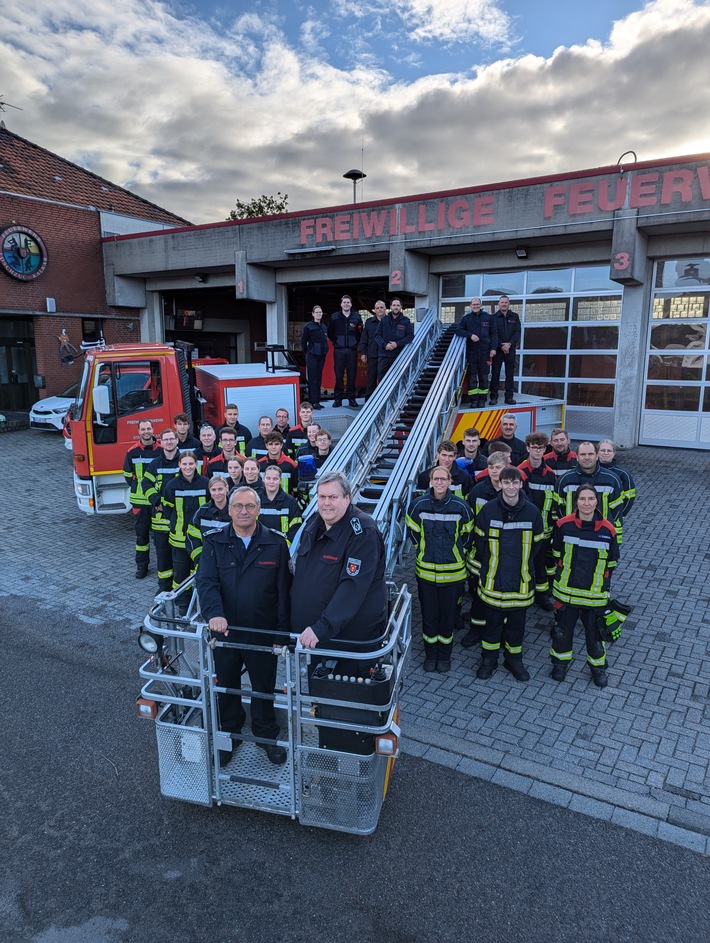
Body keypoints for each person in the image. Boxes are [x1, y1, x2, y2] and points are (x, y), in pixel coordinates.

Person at [196, 487, 291, 766]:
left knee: (263, 685)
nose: (243, 511)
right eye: (238, 506)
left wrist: (282, 633)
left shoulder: (275, 543)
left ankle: (265, 735)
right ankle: (230, 734)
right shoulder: (214, 542)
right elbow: (207, 582)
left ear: (259, 510)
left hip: (263, 632)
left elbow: (284, 591)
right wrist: (214, 613)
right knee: (226, 684)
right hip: (225, 631)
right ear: (229, 510)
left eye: (250, 506)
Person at [293, 471, 388, 676]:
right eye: (322, 497)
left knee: (347, 702)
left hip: (349, 641)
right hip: (318, 637)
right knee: (318, 701)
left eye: (333, 497)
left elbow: (352, 588)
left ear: (347, 498)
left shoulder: (363, 532)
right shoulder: (313, 522)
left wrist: (322, 627)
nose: (326, 503)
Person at [474, 466, 544, 682]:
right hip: (493, 581)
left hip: (520, 582)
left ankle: (513, 659)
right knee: (492, 624)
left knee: (517, 626)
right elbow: (480, 544)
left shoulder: (533, 512)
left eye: (515, 482)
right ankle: (489, 659)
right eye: (507, 482)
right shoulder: (488, 511)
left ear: (521, 484)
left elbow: (537, 547)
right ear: (500, 484)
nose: (511, 486)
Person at [550, 483, 619, 688]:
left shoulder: (608, 529)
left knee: (595, 635)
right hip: (566, 592)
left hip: (594, 595)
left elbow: (612, 562)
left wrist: (603, 585)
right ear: (576, 501)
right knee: (562, 632)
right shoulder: (563, 524)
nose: (586, 503)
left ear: (597, 501)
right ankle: (560, 664)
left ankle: (598, 669)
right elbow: (556, 554)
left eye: (590, 499)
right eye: (582, 499)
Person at [406, 466, 474, 672]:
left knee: (447, 617)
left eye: (443, 479)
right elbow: (413, 534)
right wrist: (424, 552)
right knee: (429, 616)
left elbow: (468, 537)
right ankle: (430, 654)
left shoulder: (461, 507)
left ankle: (444, 656)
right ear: (430, 481)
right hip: (426, 573)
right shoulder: (417, 505)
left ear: (450, 481)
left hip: (453, 574)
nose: (440, 482)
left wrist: (456, 554)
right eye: (436, 478)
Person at [461, 451, 508, 649]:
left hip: (505, 554)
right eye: (492, 467)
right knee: (478, 594)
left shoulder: (512, 492)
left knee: (502, 596)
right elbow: (469, 521)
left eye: (499, 467)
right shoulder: (478, 491)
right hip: (481, 552)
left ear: (506, 467)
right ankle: (476, 629)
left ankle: (499, 631)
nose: (495, 471)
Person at [160, 451, 209, 595]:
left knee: (199, 571)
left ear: (196, 464)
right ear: (179, 465)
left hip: (200, 540)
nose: (188, 467)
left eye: (191, 464)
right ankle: (182, 603)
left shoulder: (206, 483)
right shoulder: (171, 485)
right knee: (180, 575)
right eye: (185, 464)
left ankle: (198, 601)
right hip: (179, 540)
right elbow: (167, 510)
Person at [518, 432, 556, 610]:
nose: (538, 451)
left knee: (540, 564)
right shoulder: (520, 472)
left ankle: (542, 596)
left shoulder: (550, 474)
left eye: (541, 448)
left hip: (544, 530)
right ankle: (523, 593)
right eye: (534, 447)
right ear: (528, 448)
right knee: (523, 563)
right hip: (523, 530)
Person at [556, 442, 624, 537]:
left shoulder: (612, 480)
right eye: (583, 454)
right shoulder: (565, 480)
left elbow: (617, 511)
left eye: (591, 454)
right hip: (571, 534)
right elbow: (558, 509)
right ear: (577, 457)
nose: (587, 457)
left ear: (597, 456)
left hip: (601, 534)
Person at [144, 428, 182, 592]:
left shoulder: (184, 461)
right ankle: (164, 587)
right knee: (163, 555)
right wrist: (156, 501)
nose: (169, 442)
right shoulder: (155, 464)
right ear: (161, 442)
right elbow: (146, 484)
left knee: (180, 557)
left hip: (180, 518)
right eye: (165, 439)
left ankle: (180, 587)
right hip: (160, 520)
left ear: (177, 440)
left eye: (171, 439)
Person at [122, 418, 158, 579]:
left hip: (157, 502)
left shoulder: (161, 450)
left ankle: (163, 565)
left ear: (152, 429)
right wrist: (139, 489)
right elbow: (128, 476)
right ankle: (142, 566)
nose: (146, 432)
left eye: (148, 428)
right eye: (143, 429)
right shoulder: (132, 452)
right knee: (141, 536)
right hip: (140, 502)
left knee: (159, 537)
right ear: (139, 432)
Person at [454, 298, 498, 407]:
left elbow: (494, 334)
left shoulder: (488, 318)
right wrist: (470, 335)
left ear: (481, 305)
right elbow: (458, 330)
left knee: (483, 377)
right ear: (470, 306)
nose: (475, 306)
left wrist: (493, 348)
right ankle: (474, 400)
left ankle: (482, 400)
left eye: (477, 304)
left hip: (485, 352)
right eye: (473, 304)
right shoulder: (466, 319)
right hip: (471, 352)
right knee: (472, 377)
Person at [186, 475, 231, 567]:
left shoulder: (236, 510)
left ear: (227, 488)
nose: (217, 493)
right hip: (206, 563)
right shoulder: (202, 512)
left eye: (220, 489)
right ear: (209, 491)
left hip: (230, 564)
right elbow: (192, 536)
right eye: (213, 490)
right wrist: (200, 559)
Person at [327, 294, 363, 408]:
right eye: (344, 302)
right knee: (339, 375)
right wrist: (337, 341)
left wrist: (354, 343)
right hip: (339, 350)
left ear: (351, 304)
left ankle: (352, 399)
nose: (346, 304)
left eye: (348, 302)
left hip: (352, 351)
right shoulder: (334, 317)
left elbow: (360, 333)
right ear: (341, 304)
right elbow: (330, 333)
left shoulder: (357, 317)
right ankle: (338, 399)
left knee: (352, 375)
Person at [489, 295, 521, 406]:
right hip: (498, 350)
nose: (504, 304)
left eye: (505, 302)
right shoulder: (493, 317)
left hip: (510, 349)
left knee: (510, 373)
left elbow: (517, 332)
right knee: (495, 373)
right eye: (502, 302)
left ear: (509, 304)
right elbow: (492, 333)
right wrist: (501, 345)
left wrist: (509, 344)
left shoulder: (515, 317)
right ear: (499, 304)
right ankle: (493, 397)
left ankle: (509, 397)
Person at [259, 466, 303, 545]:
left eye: (275, 479)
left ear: (280, 480)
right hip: (259, 548)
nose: (271, 482)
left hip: (282, 550)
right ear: (263, 479)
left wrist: (283, 548)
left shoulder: (290, 502)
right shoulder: (256, 501)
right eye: (268, 478)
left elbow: (295, 528)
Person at [376, 297, 414, 381]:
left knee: (399, 380)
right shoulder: (384, 320)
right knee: (382, 379)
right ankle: (383, 394)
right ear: (390, 307)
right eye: (394, 305)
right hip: (384, 356)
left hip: (399, 356)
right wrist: (385, 345)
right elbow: (377, 336)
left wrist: (397, 344)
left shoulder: (406, 321)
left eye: (398, 305)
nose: (396, 307)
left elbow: (410, 336)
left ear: (401, 307)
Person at [598, 440, 636, 520]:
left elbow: (629, 497)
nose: (606, 453)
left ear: (614, 453)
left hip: (612, 520)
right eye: (602, 450)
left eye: (609, 450)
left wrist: (619, 514)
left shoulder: (623, 474)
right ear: (597, 452)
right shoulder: (590, 471)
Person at [301, 305, 328, 409]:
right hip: (312, 355)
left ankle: (317, 401)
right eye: (316, 312)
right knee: (313, 379)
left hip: (321, 355)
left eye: (320, 312)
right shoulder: (309, 326)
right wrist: (307, 352)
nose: (318, 314)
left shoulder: (324, 327)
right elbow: (303, 341)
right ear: (313, 314)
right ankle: (313, 402)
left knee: (319, 378)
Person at [361, 300, 386, 400]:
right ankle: (369, 402)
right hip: (372, 355)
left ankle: (383, 400)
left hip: (386, 356)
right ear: (375, 310)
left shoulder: (390, 321)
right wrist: (363, 353)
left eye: (381, 307)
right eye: (377, 308)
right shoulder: (369, 323)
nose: (379, 309)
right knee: (371, 379)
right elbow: (364, 339)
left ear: (385, 308)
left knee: (384, 379)